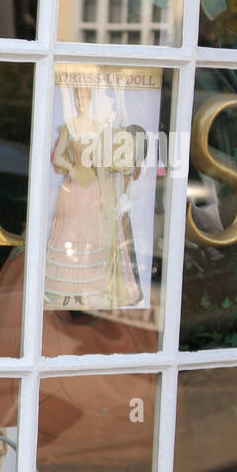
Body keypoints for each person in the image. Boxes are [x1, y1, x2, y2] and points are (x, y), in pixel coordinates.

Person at [44, 86, 143, 310]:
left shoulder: (101, 128)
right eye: (78, 97)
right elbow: (58, 156)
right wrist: (71, 168)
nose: (81, 101)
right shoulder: (70, 126)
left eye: (84, 97)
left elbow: (107, 159)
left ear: (91, 100)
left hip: (95, 186)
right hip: (76, 188)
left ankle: (87, 289)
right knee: (71, 232)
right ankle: (68, 289)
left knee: (92, 234)